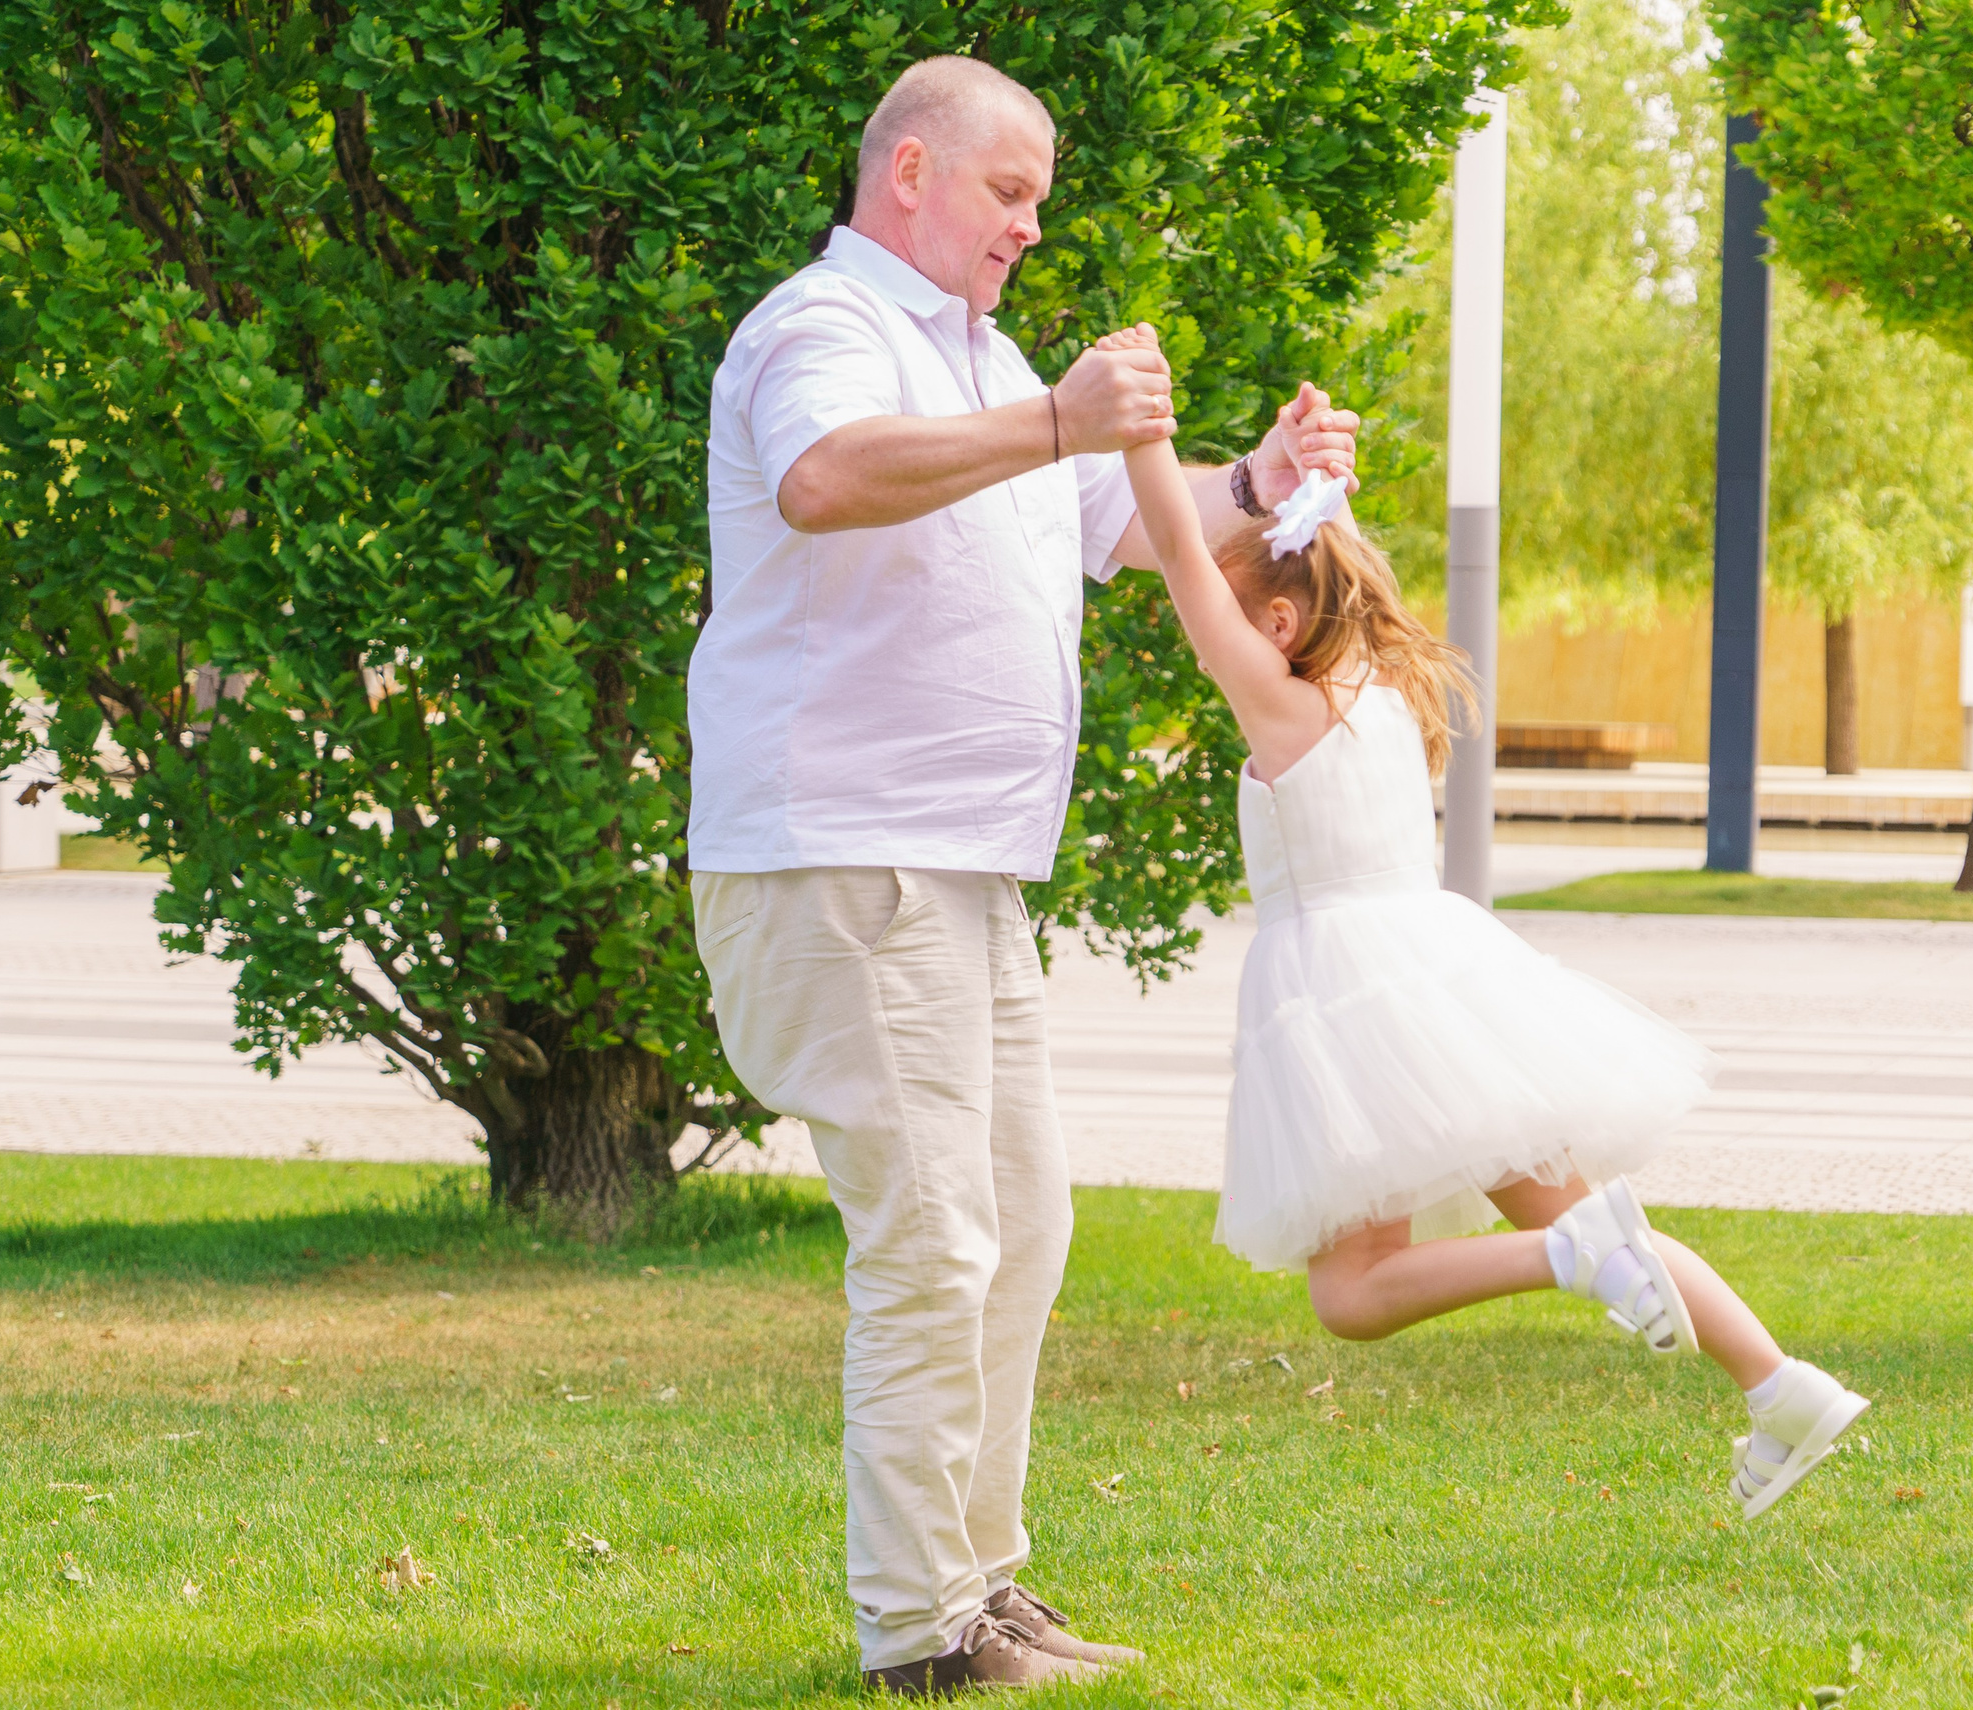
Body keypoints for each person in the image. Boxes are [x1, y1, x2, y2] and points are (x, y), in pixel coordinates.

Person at [688, 59, 1362, 1698]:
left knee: (1023, 1229)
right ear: (909, 173)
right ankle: (920, 1636)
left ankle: (979, 1588)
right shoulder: (821, 330)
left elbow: (1137, 522)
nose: (1033, 222)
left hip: (964, 875)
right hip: (849, 859)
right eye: (1010, 190)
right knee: (933, 1244)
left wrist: (1259, 487)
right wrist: (1060, 417)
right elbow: (824, 479)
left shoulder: (975, 361)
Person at [1100, 322, 1871, 1519]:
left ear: (1277, 629)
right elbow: (1321, 566)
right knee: (1595, 1216)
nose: (1200, 613)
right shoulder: (1381, 686)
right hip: (1445, 982)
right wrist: (1319, 482)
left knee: (1355, 1294)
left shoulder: (1282, 707)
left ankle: (1568, 1265)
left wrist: (1140, 428)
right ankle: (1780, 1385)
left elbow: (1198, 582)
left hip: (1353, 1003)